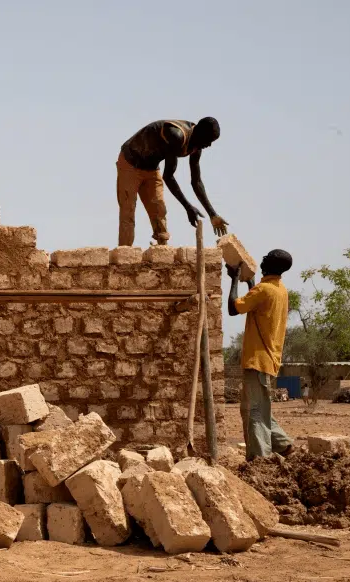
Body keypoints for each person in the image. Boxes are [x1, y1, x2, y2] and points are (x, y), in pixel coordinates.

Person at [227, 249, 295, 460]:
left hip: (257, 360)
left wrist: (234, 279)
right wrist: (251, 283)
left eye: (266, 259)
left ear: (271, 265)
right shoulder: (279, 290)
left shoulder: (264, 290)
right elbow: (257, 300)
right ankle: (283, 445)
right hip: (268, 360)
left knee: (253, 412)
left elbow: (233, 308)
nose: (262, 260)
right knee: (259, 407)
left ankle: (260, 459)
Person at [117, 118, 228, 246]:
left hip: (151, 168)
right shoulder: (177, 135)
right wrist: (188, 207)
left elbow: (196, 182)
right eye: (208, 140)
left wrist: (212, 214)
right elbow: (168, 176)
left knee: (159, 210)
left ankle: (162, 254)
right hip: (130, 163)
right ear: (200, 133)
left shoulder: (197, 146)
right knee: (128, 211)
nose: (209, 145)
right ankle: (124, 256)